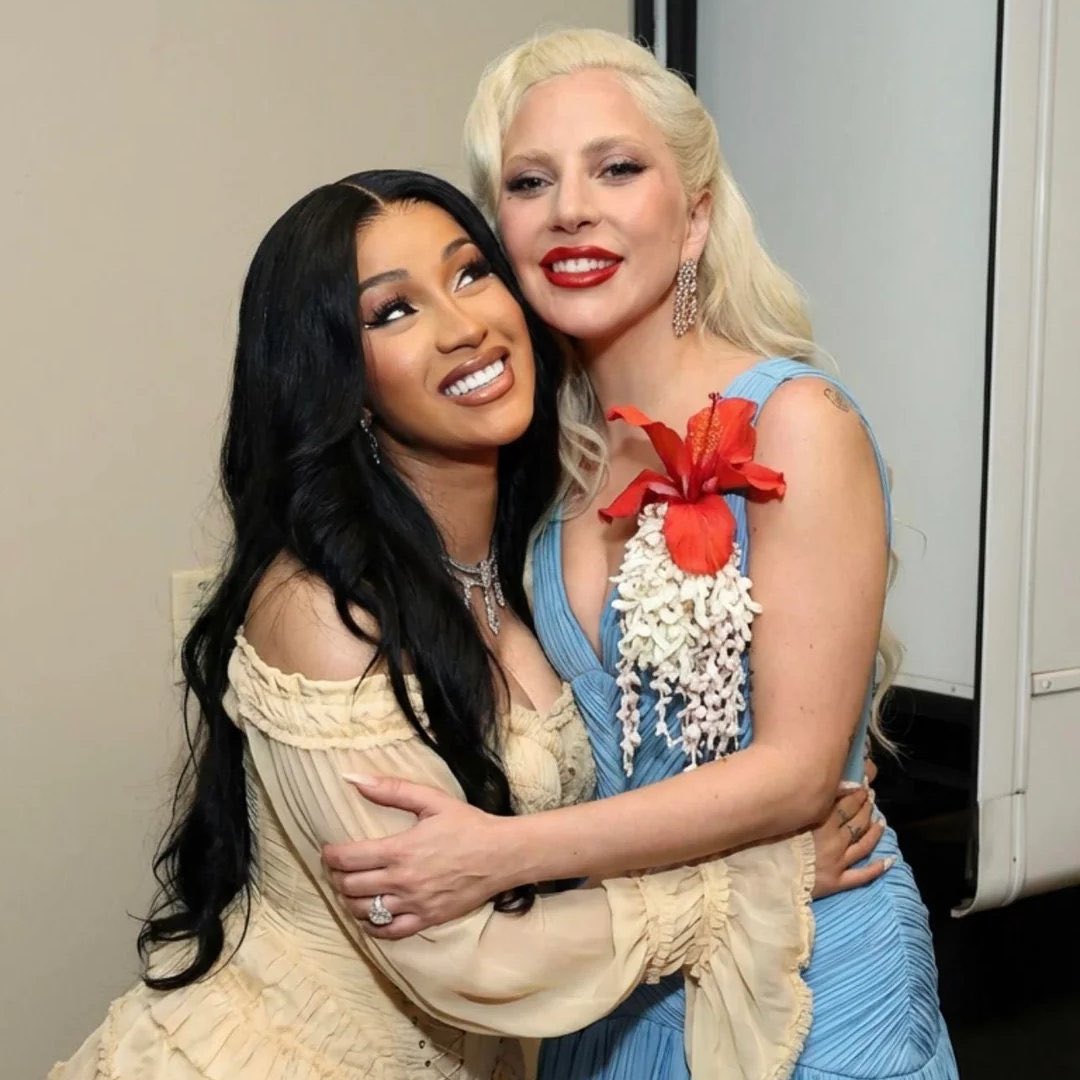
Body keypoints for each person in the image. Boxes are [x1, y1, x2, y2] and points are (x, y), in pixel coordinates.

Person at [50, 169, 883, 1080]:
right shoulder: (323, 610)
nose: (462, 326)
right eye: (393, 314)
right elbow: (461, 959)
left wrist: (799, 744)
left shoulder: (525, 561)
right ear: (342, 381)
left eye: (471, 274)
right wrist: (755, 880)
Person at [323, 30, 959, 1080]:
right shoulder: (539, 462)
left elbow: (798, 775)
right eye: (531, 182)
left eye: (617, 168)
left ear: (696, 215)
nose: (571, 207)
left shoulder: (799, 421)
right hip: (614, 988)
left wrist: (493, 859)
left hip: (809, 961)